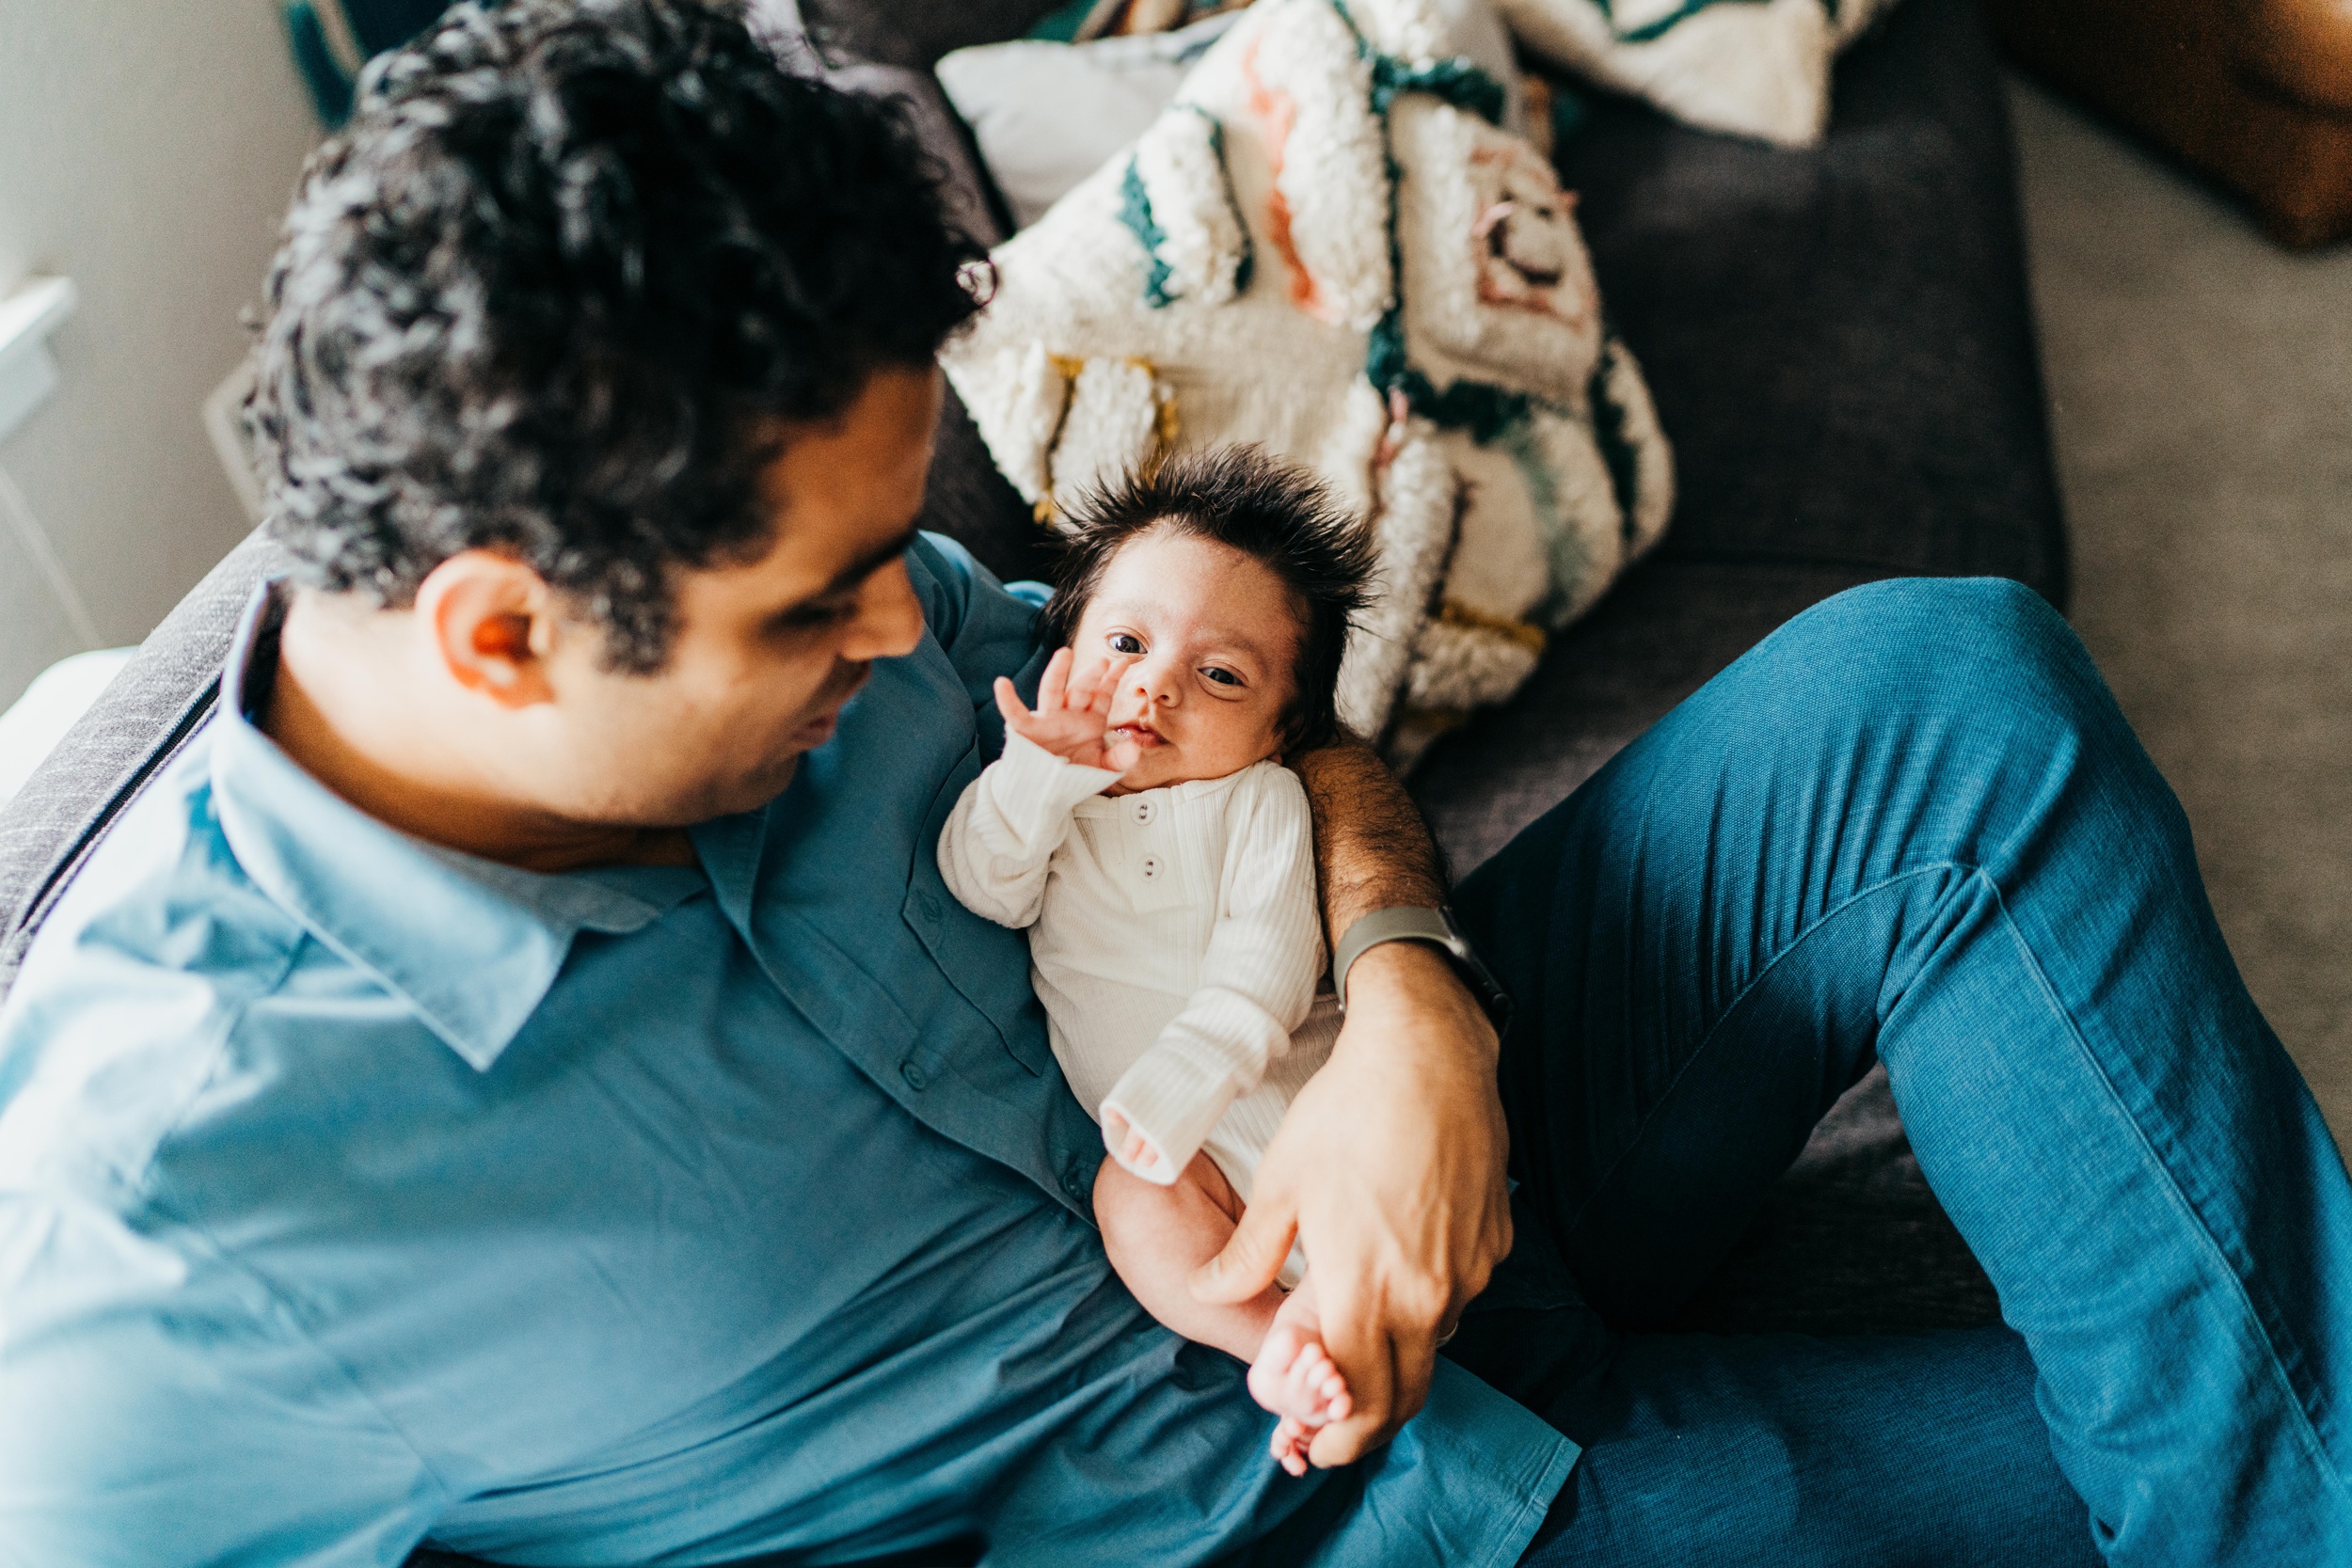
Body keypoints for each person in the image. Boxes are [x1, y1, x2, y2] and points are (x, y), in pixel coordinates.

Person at [0, 2, 2344, 1564]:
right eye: (821, 607)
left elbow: (1277, 732)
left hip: (1386, 1103)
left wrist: (1413, 997)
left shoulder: (788, 561)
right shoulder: (169, 1214)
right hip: (1310, 1516)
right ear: (503, 633)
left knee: (1941, 694)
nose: (915, 628)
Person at [937, 450, 1378, 1474]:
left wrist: (1190, 1069)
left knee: (1367, 1244)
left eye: (1220, 674)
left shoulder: (1257, 801)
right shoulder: (1054, 803)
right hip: (1183, 1175)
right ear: (1068, 641)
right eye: (1126, 641)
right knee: (1129, 1200)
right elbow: (980, 882)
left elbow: (1266, 965)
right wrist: (1038, 771)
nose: (1156, 682)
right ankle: (1274, 1344)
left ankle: (1343, 1324)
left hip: (1315, 1123)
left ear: (1284, 732)